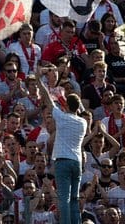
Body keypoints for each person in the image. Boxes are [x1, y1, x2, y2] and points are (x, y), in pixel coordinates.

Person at [37, 66, 87, 224]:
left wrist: (39, 81)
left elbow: (46, 98)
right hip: (77, 162)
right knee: (74, 198)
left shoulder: (61, 117)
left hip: (62, 162)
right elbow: (70, 109)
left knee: (63, 198)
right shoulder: (83, 122)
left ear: (66, 106)